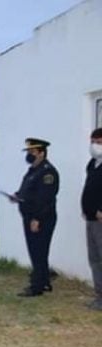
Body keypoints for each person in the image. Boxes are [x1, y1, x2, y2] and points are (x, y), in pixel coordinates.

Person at [12, 138, 60, 297]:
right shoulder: (33, 170)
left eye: (32, 152)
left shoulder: (47, 172)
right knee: (35, 251)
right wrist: (18, 196)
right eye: (28, 152)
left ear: (41, 152)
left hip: (41, 219)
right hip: (30, 216)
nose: (29, 155)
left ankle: (37, 286)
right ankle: (44, 281)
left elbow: (45, 199)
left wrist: (37, 219)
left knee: (38, 251)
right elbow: (28, 191)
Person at [82, 127, 102, 310]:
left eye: (99, 142)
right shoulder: (92, 163)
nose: (95, 145)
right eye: (93, 142)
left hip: (100, 219)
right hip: (90, 218)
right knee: (95, 259)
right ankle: (99, 296)